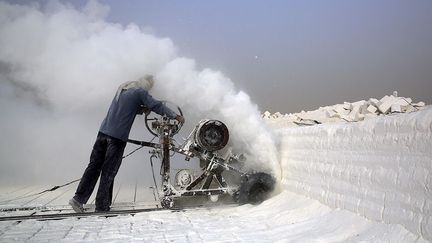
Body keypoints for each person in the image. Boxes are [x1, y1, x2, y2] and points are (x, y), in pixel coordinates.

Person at [69, 75, 184, 212]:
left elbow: (125, 108)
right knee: (109, 171)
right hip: (116, 138)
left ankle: (78, 199)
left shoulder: (123, 89)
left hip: (102, 133)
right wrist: (176, 116)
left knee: (93, 167)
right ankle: (102, 207)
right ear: (146, 84)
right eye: (150, 87)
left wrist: (141, 110)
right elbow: (156, 105)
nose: (150, 90)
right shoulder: (140, 92)